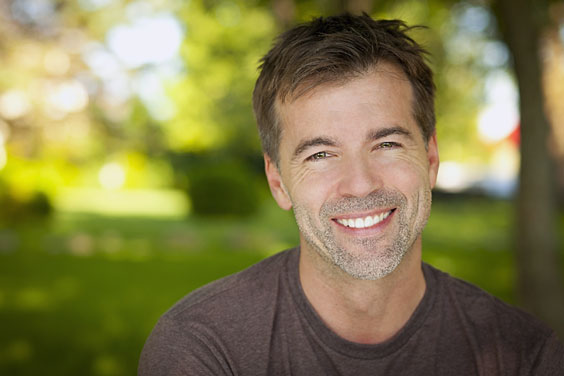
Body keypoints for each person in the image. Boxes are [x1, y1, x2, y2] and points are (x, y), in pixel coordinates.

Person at [139, 13, 564, 375]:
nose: (360, 183)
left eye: (386, 144)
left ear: (430, 158)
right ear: (277, 182)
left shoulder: (525, 356)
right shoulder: (204, 350)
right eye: (321, 154)